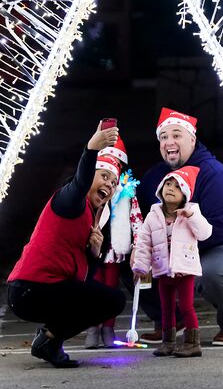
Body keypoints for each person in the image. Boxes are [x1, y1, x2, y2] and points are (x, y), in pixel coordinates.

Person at [133, 108, 223, 346]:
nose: (169, 142)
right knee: (135, 260)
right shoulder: (153, 177)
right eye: (163, 137)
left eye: (176, 135)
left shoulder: (214, 174)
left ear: (192, 139)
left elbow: (222, 227)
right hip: (179, 248)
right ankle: (169, 321)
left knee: (213, 271)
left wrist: (178, 251)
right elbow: (139, 218)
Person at [6, 122, 127, 368]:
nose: (109, 185)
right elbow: (81, 182)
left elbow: (83, 282)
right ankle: (48, 340)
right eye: (104, 177)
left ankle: (50, 341)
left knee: (107, 298)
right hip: (30, 290)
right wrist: (92, 148)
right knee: (112, 300)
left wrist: (94, 254)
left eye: (114, 183)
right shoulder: (71, 200)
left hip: (47, 290)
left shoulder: (91, 218)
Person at [133, 166, 212, 357]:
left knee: (186, 307)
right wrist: (141, 266)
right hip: (162, 270)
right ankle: (168, 343)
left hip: (184, 270)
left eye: (177, 187)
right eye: (168, 184)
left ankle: (193, 343)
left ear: (184, 194)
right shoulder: (153, 216)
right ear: (160, 188)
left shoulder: (191, 212)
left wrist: (191, 216)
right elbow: (144, 242)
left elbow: (205, 233)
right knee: (166, 309)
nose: (170, 188)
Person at [84, 137, 143, 348]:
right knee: (92, 288)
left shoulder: (127, 194)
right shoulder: (88, 193)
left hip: (114, 252)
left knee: (110, 289)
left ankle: (108, 327)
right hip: (92, 251)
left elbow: (137, 220)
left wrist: (138, 246)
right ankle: (92, 327)